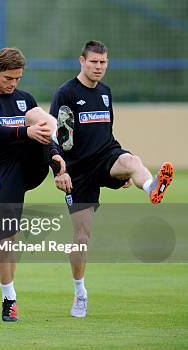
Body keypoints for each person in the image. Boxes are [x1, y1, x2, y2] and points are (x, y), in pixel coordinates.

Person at [49, 40, 174, 318]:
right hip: (79, 171)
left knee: (132, 160)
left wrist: (122, 170)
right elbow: (55, 137)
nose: (98, 67)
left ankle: (151, 186)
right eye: (93, 62)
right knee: (82, 237)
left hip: (106, 157)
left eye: (103, 62)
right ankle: (80, 292)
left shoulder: (105, 93)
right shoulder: (66, 93)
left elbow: (108, 134)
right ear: (82, 61)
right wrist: (60, 170)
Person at [0, 48, 66, 322]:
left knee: (38, 115)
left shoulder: (24, 99)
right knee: (6, 240)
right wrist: (25, 132)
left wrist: (57, 159)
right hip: (3, 171)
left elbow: (41, 136)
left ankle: (64, 153)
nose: (13, 84)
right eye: (8, 78)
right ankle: (9, 298)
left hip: (31, 166)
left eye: (18, 78)